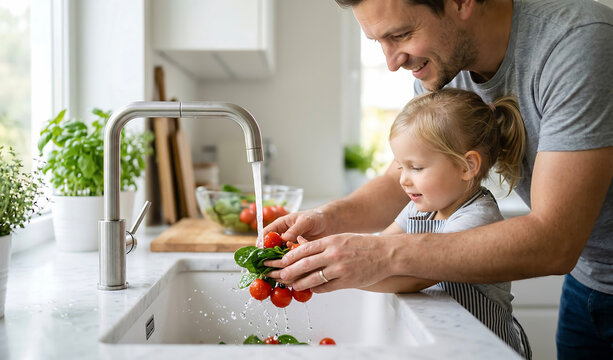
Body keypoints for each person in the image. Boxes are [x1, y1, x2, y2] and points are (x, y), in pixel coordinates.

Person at [263, 0, 613, 358]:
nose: (391, 61)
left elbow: (554, 240)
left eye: (400, 35)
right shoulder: (447, 66)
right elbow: (399, 179)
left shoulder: (578, 43)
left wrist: (377, 256)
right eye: (378, 43)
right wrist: (327, 219)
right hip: (587, 280)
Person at [365, 88, 531, 357]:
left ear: (467, 166)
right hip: (449, 342)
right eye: (400, 166)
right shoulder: (419, 208)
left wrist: (340, 277)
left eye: (415, 167)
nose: (403, 180)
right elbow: (378, 249)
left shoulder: (478, 218)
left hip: (488, 350)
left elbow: (412, 277)